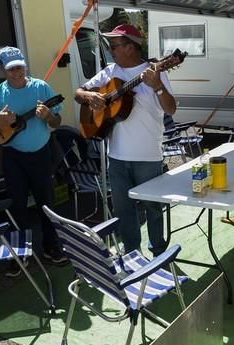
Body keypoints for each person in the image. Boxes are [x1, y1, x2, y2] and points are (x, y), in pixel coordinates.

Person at [74, 24, 176, 256]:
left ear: (131, 47)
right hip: (116, 157)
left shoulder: (156, 72)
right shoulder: (109, 72)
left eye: (114, 45)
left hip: (148, 156)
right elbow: (78, 93)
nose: (110, 50)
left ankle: (159, 253)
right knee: (123, 210)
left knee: (153, 208)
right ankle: (132, 253)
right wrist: (92, 96)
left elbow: (171, 110)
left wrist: (158, 86)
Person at [0, 46, 66, 274]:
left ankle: (51, 247)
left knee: (47, 203)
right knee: (17, 206)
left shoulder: (41, 88)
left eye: (20, 67)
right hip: (13, 157)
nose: (17, 72)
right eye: (11, 69)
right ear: (2, 69)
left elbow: (57, 122)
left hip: (42, 153)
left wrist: (48, 116)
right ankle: (20, 254)